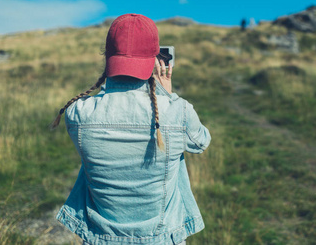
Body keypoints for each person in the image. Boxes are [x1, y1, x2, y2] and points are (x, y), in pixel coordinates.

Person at [50, 13, 211, 245]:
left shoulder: (78, 114)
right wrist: (167, 95)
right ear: (155, 58)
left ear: (108, 56)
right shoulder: (178, 112)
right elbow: (200, 143)